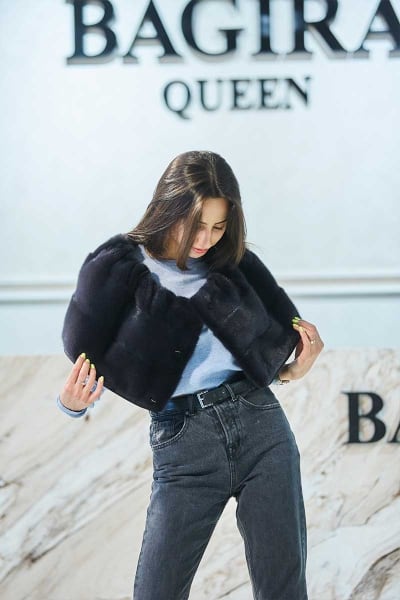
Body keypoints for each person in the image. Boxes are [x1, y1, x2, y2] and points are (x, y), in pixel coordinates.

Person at [58, 150, 324, 600]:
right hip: (183, 443)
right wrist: (71, 405)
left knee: (283, 589)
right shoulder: (116, 268)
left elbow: (268, 352)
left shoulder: (235, 266)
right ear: (169, 208)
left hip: (262, 429)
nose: (206, 238)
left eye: (219, 227)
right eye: (197, 224)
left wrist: (294, 370)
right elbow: (83, 358)